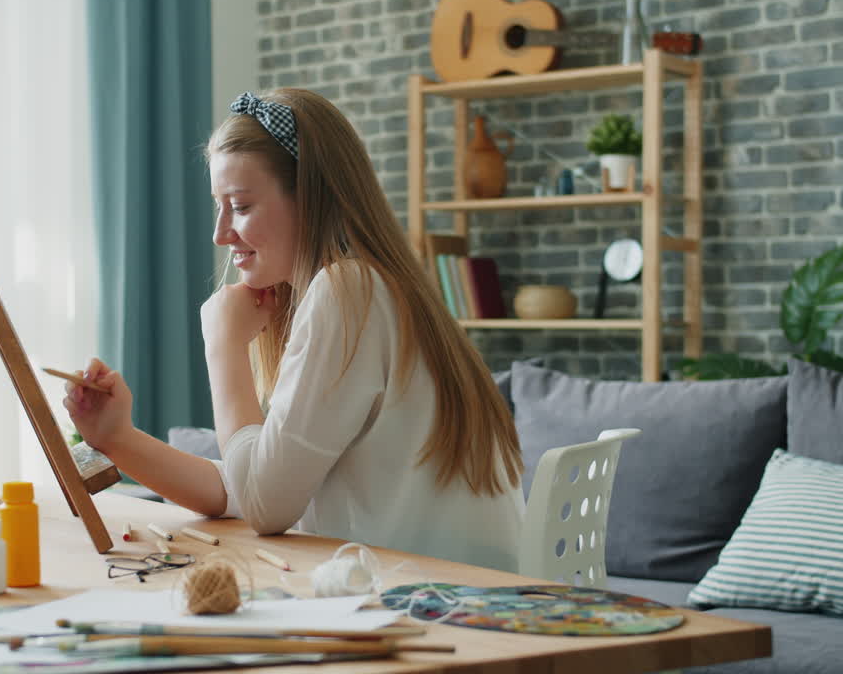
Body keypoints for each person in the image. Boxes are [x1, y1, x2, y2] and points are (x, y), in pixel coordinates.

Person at [63, 88, 525, 571]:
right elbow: (253, 484)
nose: (221, 234)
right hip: (463, 593)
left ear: (310, 199)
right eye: (219, 208)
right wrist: (117, 438)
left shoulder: (349, 291)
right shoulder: (378, 285)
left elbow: (264, 503)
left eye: (240, 207)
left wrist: (223, 346)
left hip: (428, 606)